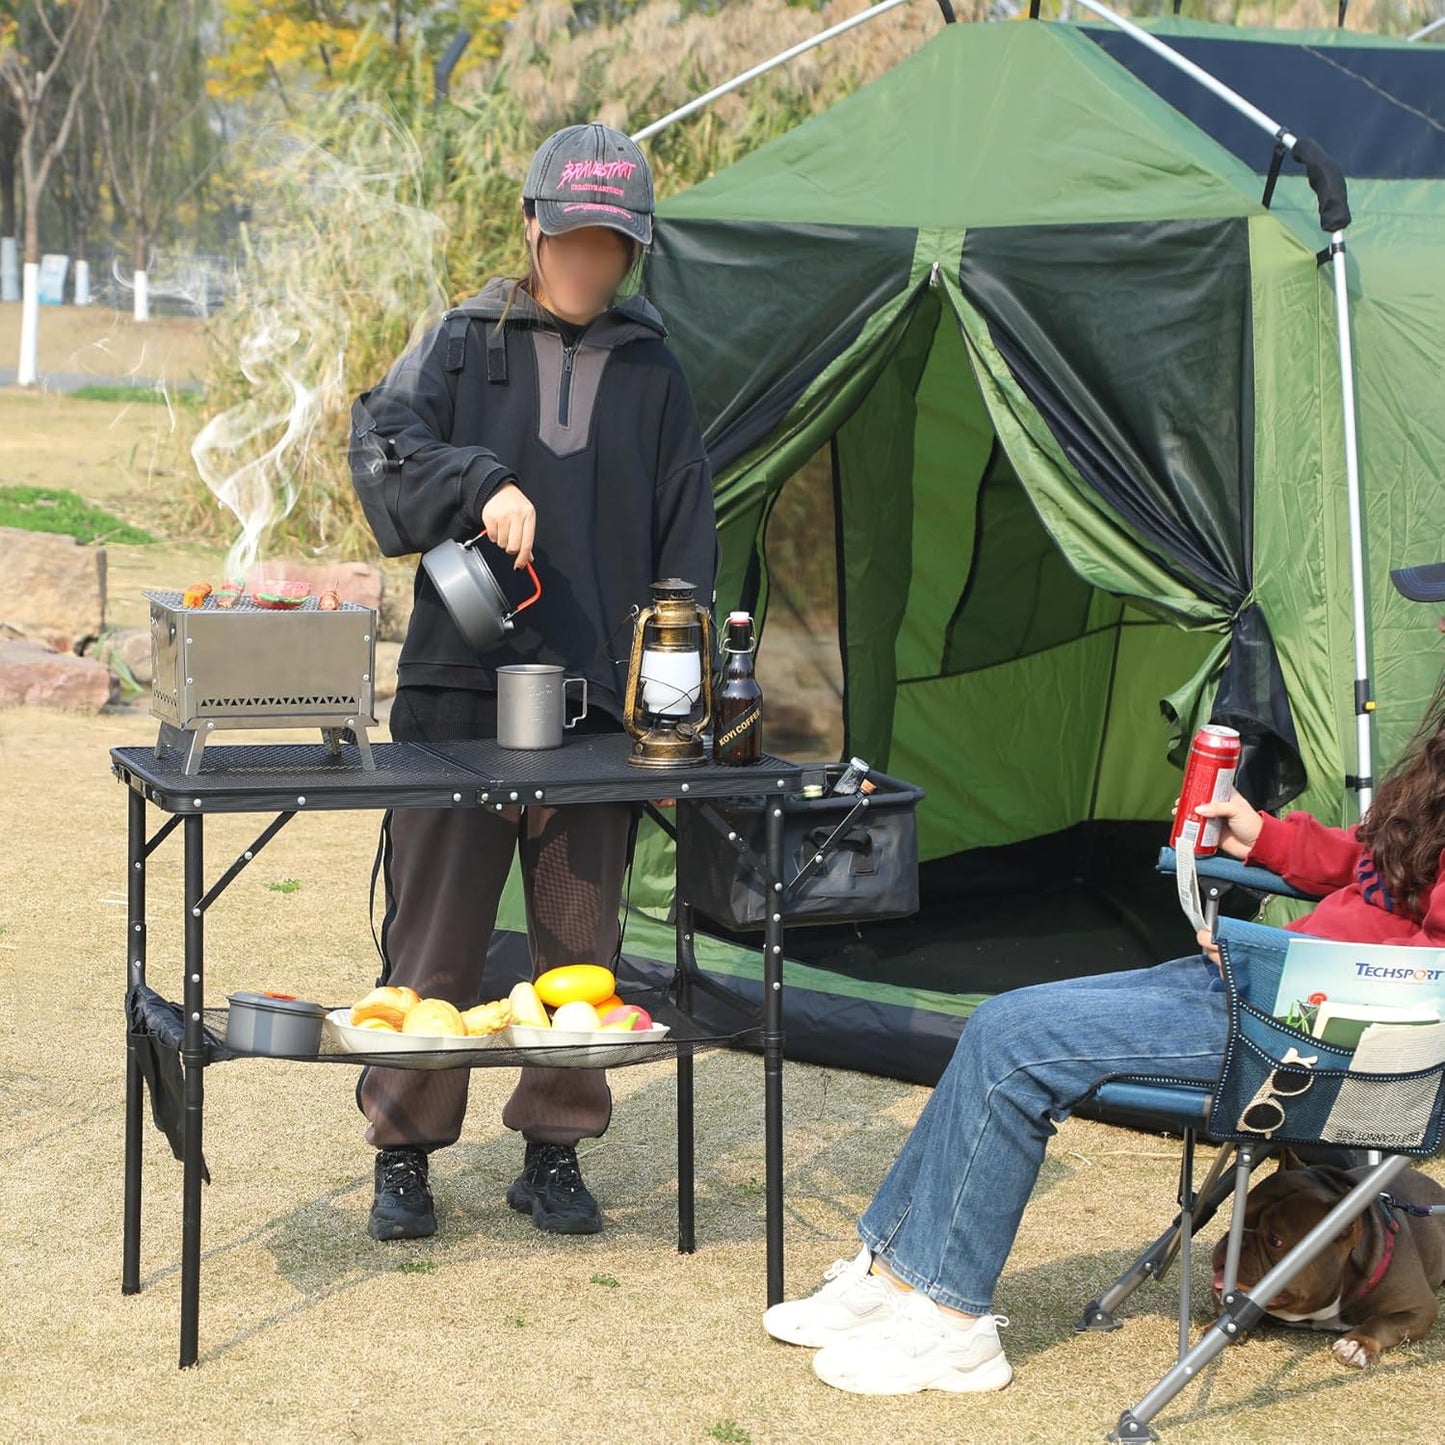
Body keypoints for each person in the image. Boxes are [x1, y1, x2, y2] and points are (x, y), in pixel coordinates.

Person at [765, 642, 1445, 1396]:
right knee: (1000, 1020)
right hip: (1276, 991)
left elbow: (1423, 965)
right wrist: (1271, 838)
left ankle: (954, 1331)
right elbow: (1384, 866)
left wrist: (1276, 963)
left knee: (1019, 1047)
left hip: (1333, 1039)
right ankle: (895, 1276)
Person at [347, 123, 718, 1242]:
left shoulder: (655, 373)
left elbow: (684, 553)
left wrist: (670, 719)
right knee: (435, 945)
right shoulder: (463, 343)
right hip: (456, 696)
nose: (587, 261)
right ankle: (404, 1153)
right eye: (570, 237)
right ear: (530, 226)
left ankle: (554, 1150)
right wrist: (480, 477)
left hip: (596, 713)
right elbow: (381, 446)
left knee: (579, 950)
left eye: (609, 243)